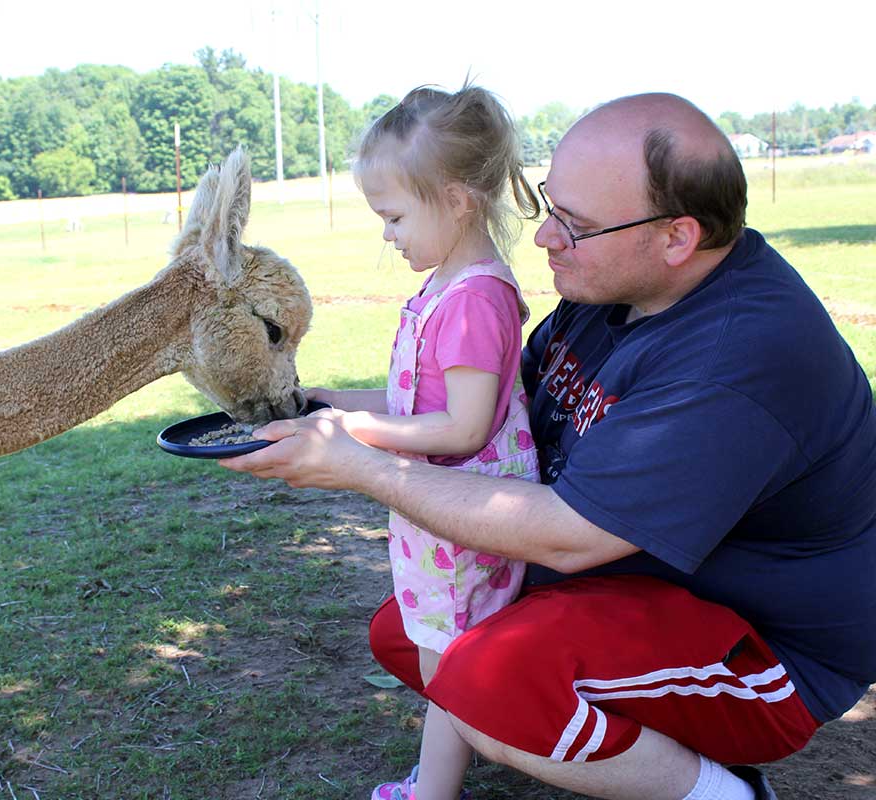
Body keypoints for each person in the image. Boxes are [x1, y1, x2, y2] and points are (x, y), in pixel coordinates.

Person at [220, 92, 876, 800]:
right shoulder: (612, 293)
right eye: (548, 205)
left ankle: (727, 795)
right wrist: (329, 409)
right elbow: (499, 416)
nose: (544, 238)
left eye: (576, 224)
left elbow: (568, 537)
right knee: (409, 632)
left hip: (769, 656)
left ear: (677, 237)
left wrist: (361, 467)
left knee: (486, 679)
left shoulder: (735, 357)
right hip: (646, 590)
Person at [305, 84, 541, 800]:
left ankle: (433, 793)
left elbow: (463, 429)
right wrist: (329, 402)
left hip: (464, 520)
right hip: (437, 512)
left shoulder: (473, 300)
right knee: (447, 664)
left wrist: (351, 434)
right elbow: (419, 403)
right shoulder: (449, 286)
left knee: (452, 673)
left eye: (395, 215)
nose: (387, 233)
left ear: (457, 200)